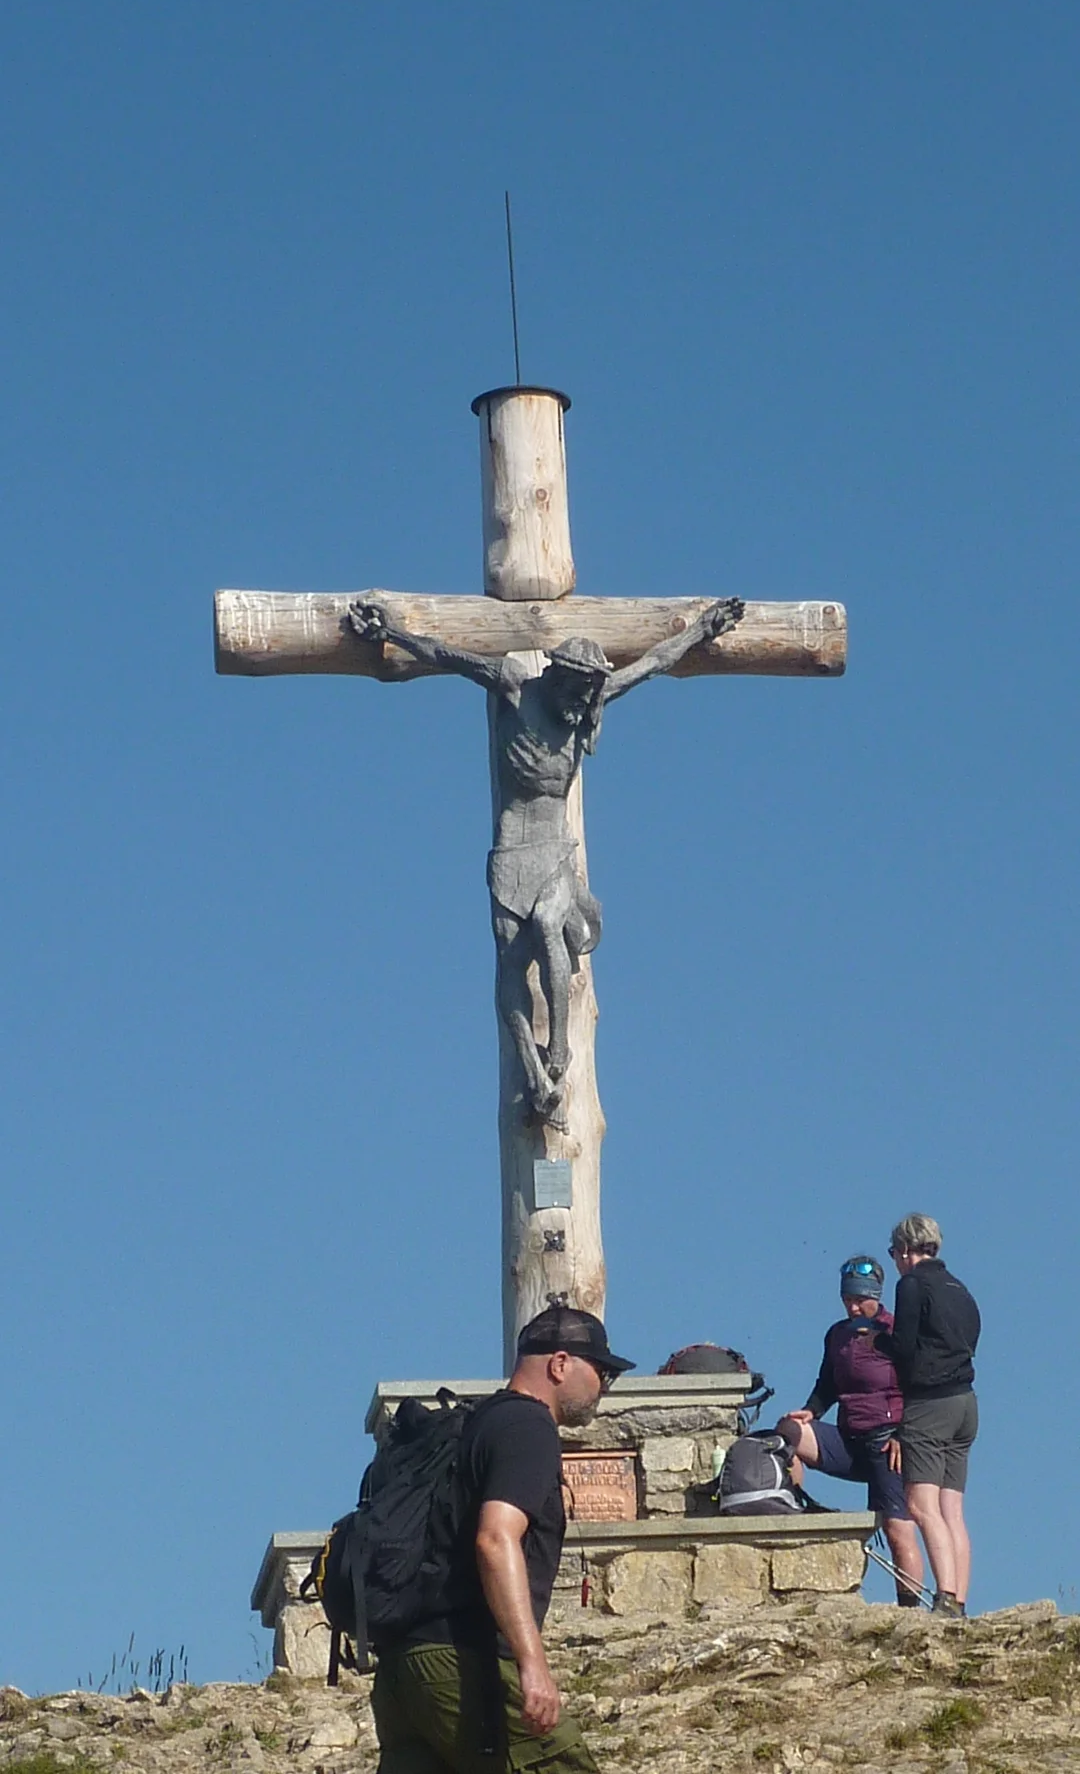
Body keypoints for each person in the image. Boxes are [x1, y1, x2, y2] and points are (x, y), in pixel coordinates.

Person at [350, 593, 742, 1124]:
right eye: (577, 690)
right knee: (511, 961)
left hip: (556, 849)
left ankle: (559, 1048)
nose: (583, 703)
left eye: (590, 693)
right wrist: (391, 631)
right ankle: (535, 1077)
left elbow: (652, 663)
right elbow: (445, 655)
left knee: (551, 925)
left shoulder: (589, 704)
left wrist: (700, 631)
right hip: (511, 850)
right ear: (558, 679)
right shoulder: (513, 685)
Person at [370, 1305, 635, 1774]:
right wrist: (532, 1663)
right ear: (559, 1364)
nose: (603, 1388)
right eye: (601, 1372)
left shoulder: (477, 1422)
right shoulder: (528, 1426)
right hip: (464, 1663)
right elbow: (496, 1539)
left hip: (401, 1674)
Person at [779, 1256, 924, 1605]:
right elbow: (827, 1383)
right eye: (848, 1300)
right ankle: (795, 1505)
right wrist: (810, 1411)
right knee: (786, 1434)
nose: (854, 1306)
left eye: (861, 1300)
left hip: (887, 1442)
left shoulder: (896, 1332)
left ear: (877, 1296)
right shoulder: (837, 1335)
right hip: (847, 1439)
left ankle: (910, 1612)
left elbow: (920, 1388)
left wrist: (905, 1434)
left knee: (896, 1529)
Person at [878, 1213, 981, 1619]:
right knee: (952, 1508)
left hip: (929, 1404)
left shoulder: (912, 1284)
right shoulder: (961, 1290)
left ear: (905, 1249)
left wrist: (878, 1342)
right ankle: (959, 1598)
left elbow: (903, 1346)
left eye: (894, 1254)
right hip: (966, 1403)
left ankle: (945, 1599)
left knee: (921, 1505)